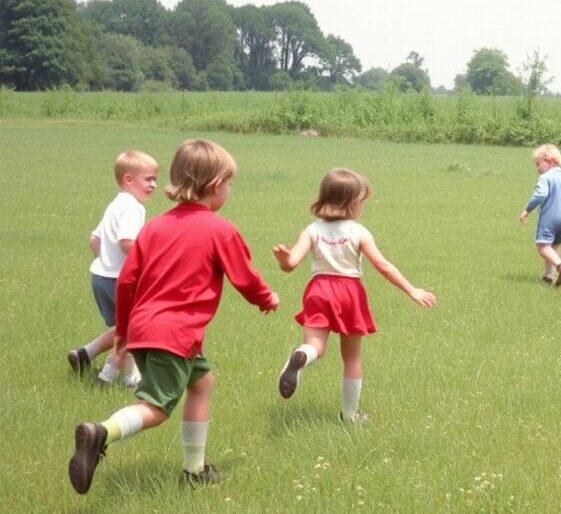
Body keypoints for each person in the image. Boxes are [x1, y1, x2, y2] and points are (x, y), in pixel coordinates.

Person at [68, 139, 279, 494]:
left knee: (202, 383)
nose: (229, 190)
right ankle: (101, 432)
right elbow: (244, 276)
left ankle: (193, 471)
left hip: (145, 329)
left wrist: (123, 332)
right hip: (175, 335)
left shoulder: (153, 228)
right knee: (156, 407)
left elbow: (127, 281)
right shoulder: (220, 229)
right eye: (229, 183)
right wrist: (267, 298)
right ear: (216, 185)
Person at [272, 168, 436, 424]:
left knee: (316, 346)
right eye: (361, 201)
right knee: (352, 358)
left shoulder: (312, 230)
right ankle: (350, 416)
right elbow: (383, 266)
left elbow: (291, 263)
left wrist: (283, 259)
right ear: (349, 203)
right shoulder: (359, 232)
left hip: (319, 291)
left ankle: (302, 355)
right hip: (349, 293)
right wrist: (412, 290)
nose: (363, 206)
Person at [68, 151, 158, 387]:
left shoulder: (115, 204)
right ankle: (108, 377)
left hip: (101, 277)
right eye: (148, 179)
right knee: (134, 330)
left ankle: (92, 358)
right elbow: (127, 242)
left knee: (124, 327)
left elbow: (94, 239)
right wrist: (152, 261)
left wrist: (106, 261)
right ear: (128, 179)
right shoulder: (133, 207)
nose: (154, 185)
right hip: (121, 281)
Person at [518, 144, 561, 287]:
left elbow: (540, 195)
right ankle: (548, 276)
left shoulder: (545, 178)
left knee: (543, 246)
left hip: (550, 218)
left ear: (549, 161)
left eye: (538, 164)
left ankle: (560, 265)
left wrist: (527, 209)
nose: (537, 168)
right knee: (554, 246)